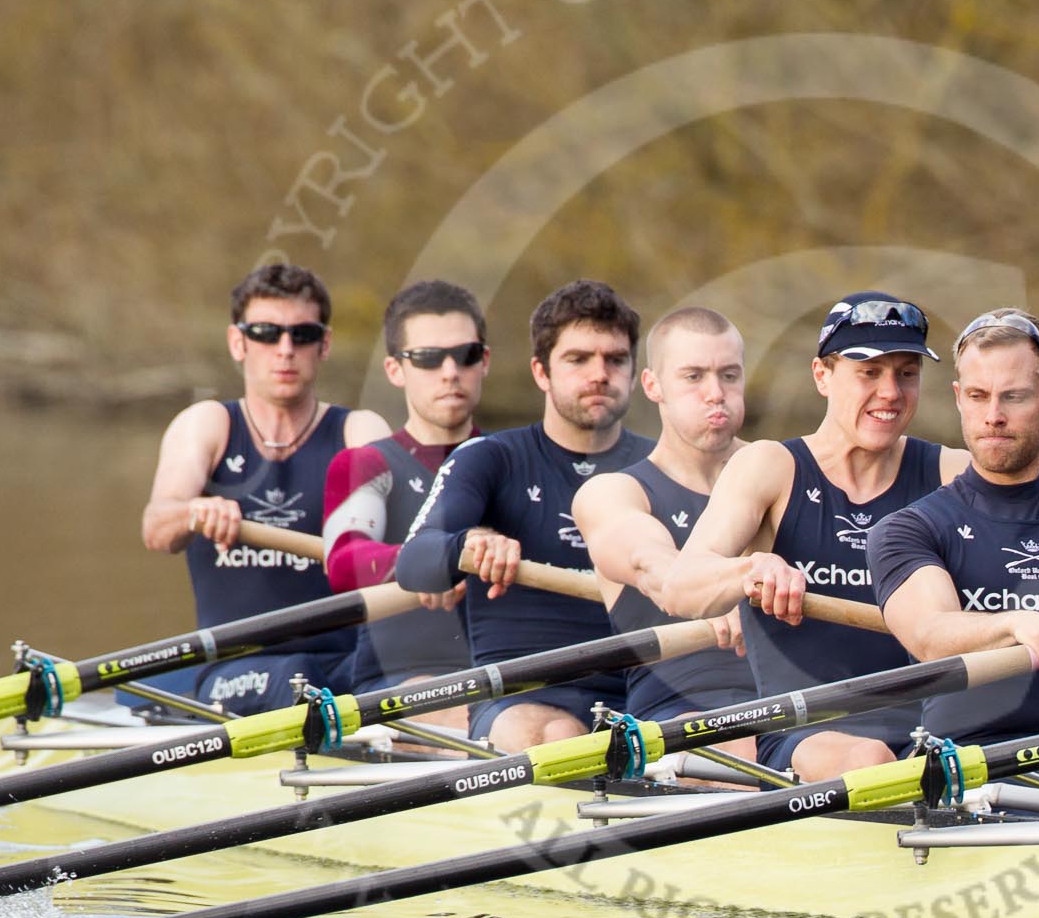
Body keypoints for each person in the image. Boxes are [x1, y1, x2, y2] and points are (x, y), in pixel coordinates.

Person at [664, 291, 968, 781]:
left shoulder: (952, 471)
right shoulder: (770, 467)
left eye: (906, 373)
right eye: (869, 373)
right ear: (822, 376)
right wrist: (749, 569)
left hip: (931, 736)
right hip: (804, 728)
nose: (891, 392)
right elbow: (680, 589)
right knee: (867, 761)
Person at [395, 280, 652, 751]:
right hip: (520, 695)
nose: (600, 374)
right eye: (578, 359)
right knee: (551, 735)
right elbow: (413, 564)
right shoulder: (490, 458)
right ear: (541, 372)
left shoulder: (663, 469)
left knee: (738, 753)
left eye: (615, 359)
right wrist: (466, 547)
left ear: (634, 374)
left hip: (646, 699)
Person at [142, 263, 388, 712]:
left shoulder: (359, 430)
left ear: (325, 344)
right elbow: (158, 527)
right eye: (266, 333)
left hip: (348, 665)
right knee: (296, 680)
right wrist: (196, 512)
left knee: (415, 676)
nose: (286, 349)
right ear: (239, 342)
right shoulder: (209, 424)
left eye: (303, 334)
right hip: (237, 667)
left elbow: (412, 528)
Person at [866, 309, 1039, 753]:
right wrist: (1018, 624)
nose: (993, 416)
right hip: (968, 765)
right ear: (958, 398)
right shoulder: (908, 529)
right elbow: (932, 635)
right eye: (977, 396)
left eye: (1014, 397)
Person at [570, 307, 756, 749]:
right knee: (747, 747)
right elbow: (655, 567)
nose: (716, 393)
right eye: (693, 377)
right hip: (677, 716)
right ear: (653, 386)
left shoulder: (788, 474)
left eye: (729, 375)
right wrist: (711, 586)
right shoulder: (613, 494)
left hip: (799, 706)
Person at [321, 280, 487, 723]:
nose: (450, 371)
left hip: (508, 679)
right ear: (395, 370)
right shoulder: (368, 464)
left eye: (465, 355)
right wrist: (433, 564)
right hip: (400, 681)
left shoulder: (515, 461)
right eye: (429, 359)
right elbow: (345, 562)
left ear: (484, 362)